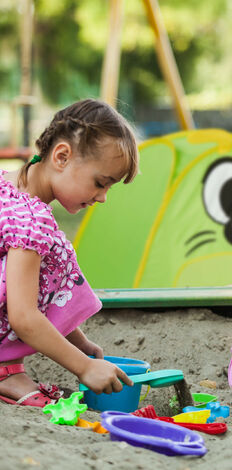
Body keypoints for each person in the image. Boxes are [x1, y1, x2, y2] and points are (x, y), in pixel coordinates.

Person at [0, 99, 139, 407]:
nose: (102, 198)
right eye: (100, 183)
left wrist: (79, 343)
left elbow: (28, 288)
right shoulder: (32, 222)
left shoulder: (9, 187)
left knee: (51, 254)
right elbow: (23, 316)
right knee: (55, 252)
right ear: (61, 156)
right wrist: (84, 366)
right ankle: (5, 372)